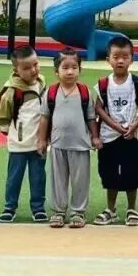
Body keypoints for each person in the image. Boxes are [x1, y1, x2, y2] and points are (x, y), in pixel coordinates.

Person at [38, 49, 99, 228]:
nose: (70, 71)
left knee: (80, 180)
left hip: (80, 145)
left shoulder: (84, 92)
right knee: (58, 179)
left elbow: (91, 118)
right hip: (57, 144)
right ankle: (59, 211)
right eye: (65, 67)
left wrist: (95, 137)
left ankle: (78, 212)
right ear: (56, 71)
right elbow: (44, 118)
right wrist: (42, 140)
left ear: (80, 70)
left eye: (74, 67)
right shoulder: (51, 92)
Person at [93, 36, 138, 227]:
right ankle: (111, 209)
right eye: (116, 56)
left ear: (132, 58)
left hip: (129, 138)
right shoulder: (103, 84)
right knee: (110, 174)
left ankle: (132, 209)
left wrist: (135, 125)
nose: (121, 60)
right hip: (109, 138)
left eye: (125, 56)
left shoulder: (137, 82)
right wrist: (114, 125)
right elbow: (98, 108)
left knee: (132, 173)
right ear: (108, 59)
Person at [0, 47, 48, 223]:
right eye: (26, 68)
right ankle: (9, 207)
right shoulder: (11, 92)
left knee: (38, 177)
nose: (33, 70)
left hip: (39, 143)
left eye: (35, 64)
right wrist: (12, 133)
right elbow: (3, 116)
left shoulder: (41, 82)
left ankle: (38, 208)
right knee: (14, 178)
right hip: (18, 144)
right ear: (16, 70)